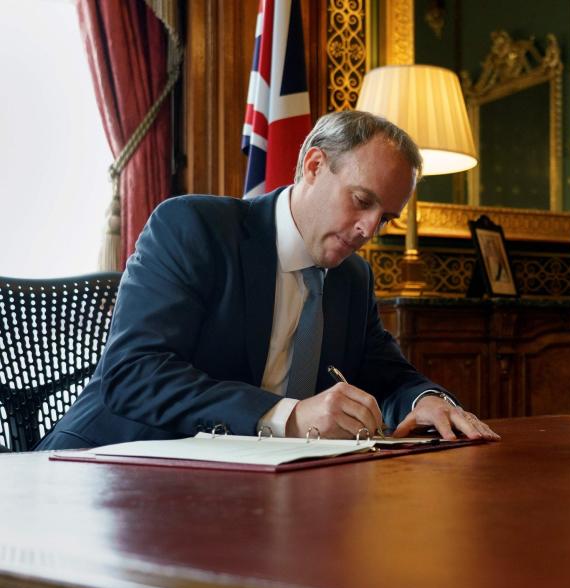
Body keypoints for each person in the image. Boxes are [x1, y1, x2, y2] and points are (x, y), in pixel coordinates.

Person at [39, 111, 498, 450]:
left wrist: (428, 401)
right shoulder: (194, 228)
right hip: (106, 469)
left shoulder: (351, 278)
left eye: (385, 219)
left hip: (246, 498)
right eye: (361, 201)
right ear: (314, 166)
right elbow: (133, 374)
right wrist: (289, 416)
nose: (367, 231)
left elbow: (390, 376)